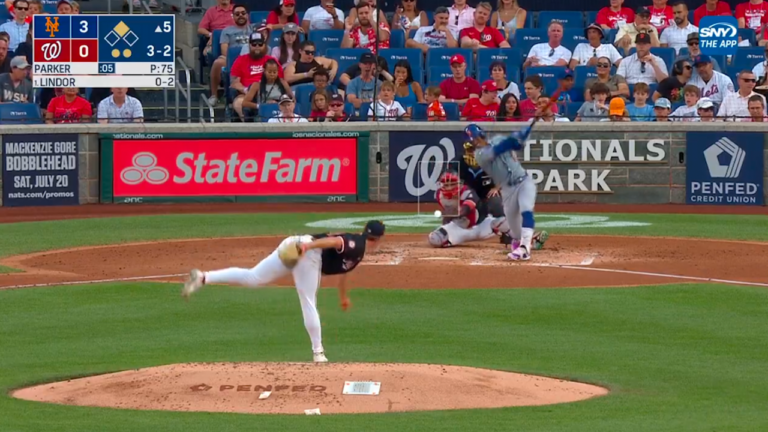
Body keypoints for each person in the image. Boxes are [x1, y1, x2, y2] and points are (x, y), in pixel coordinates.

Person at [181, 220, 387, 363]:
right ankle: (318, 353)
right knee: (307, 300)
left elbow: (345, 271)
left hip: (294, 244)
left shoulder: (358, 251)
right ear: (377, 239)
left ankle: (203, 277)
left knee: (253, 278)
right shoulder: (357, 244)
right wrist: (308, 246)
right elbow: (335, 242)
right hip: (307, 252)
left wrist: (343, 297)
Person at [464, 121, 538, 260]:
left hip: (524, 181)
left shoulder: (498, 139)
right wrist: (512, 139)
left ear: (482, 135)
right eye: (472, 141)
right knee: (514, 229)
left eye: (476, 138)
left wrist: (522, 135)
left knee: (526, 209)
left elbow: (517, 145)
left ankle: (525, 248)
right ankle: (520, 242)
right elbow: (498, 150)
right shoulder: (480, 155)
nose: (475, 143)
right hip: (508, 190)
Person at [427, 171, 510, 248]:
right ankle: (451, 239)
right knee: (435, 238)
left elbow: (466, 209)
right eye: (446, 184)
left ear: (458, 184)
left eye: (452, 184)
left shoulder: (467, 192)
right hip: (460, 229)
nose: (449, 187)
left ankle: (515, 239)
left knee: (503, 221)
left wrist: (455, 213)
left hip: (479, 227)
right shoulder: (439, 195)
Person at [230, 32, 286, 121]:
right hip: (248, 94)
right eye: (254, 44)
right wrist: (246, 91)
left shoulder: (271, 61)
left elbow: (280, 80)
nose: (257, 46)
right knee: (239, 103)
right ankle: (249, 127)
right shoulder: (241, 59)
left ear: (265, 45)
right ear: (249, 45)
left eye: (260, 44)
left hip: (270, 93)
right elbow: (235, 83)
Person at [208, 4, 251, 105]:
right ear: (233, 17)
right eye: (237, 14)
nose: (240, 15)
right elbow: (224, 50)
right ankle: (214, 95)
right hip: (233, 59)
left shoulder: (254, 29)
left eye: (243, 13)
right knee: (218, 62)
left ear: (247, 15)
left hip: (253, 58)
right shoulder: (227, 31)